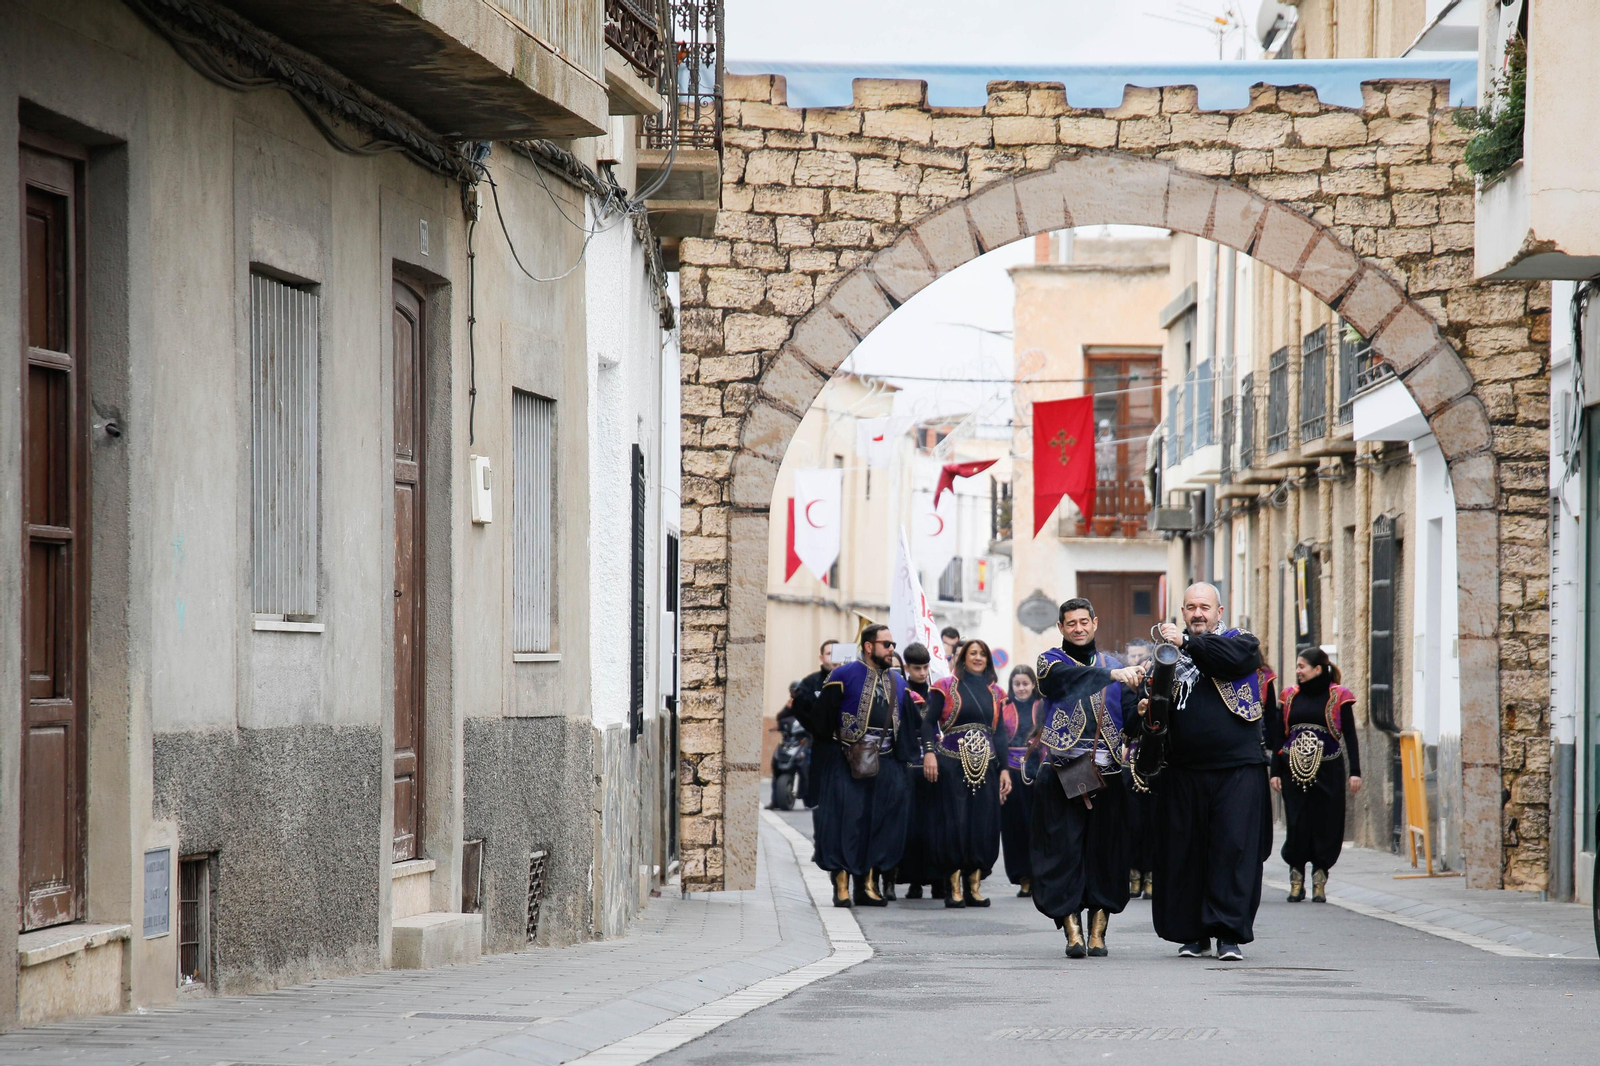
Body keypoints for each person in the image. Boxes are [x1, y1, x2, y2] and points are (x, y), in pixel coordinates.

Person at [1144, 583, 1277, 962]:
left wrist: (1185, 643)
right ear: (1182, 611)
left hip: (1238, 769)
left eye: (1204, 607)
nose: (1197, 613)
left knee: (1232, 850)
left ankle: (1228, 934)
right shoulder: (1169, 657)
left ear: (1220, 611)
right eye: (1190, 607)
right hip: (1183, 771)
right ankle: (1193, 934)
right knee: (1185, 855)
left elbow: (1232, 660)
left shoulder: (1240, 641)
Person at [1030, 599, 1144, 958]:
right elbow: (1061, 683)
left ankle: (1099, 931)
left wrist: (1143, 709)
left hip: (1108, 773)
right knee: (1063, 853)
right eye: (1071, 623)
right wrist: (1109, 676)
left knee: (1106, 855)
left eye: (1084, 622)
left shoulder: (1116, 667)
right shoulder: (1050, 662)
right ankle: (1072, 931)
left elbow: (1131, 724)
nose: (1078, 628)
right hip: (1063, 773)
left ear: (1095, 623)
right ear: (1061, 628)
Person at [808, 625, 924, 907]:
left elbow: (909, 725)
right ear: (869, 646)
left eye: (893, 644)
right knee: (846, 822)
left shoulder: (899, 682)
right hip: (846, 761)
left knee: (880, 824)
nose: (892, 649)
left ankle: (868, 885)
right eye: (887, 644)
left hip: (886, 763)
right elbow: (822, 721)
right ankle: (842, 884)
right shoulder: (843, 675)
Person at [922, 639, 1015, 908]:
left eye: (982, 654)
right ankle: (954, 888)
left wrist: (1005, 770)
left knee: (983, 824)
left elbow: (999, 735)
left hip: (986, 767)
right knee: (954, 824)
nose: (977, 658)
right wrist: (930, 752)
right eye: (972, 653)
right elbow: (928, 723)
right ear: (963, 658)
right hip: (950, 764)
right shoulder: (944, 687)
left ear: (988, 659)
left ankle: (974, 886)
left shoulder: (996, 692)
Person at [1266, 647, 1361, 903]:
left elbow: (1350, 734)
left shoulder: (1338, 695)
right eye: (1297, 666)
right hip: (1293, 770)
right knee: (1297, 823)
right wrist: (1275, 770)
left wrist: (1355, 772)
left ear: (1318, 669)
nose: (1297, 671)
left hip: (1329, 768)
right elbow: (1279, 735)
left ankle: (1320, 878)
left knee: (1326, 823)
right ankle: (1296, 879)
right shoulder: (1289, 695)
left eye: (1301, 666)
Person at [896, 642, 939, 900]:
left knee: (935, 823)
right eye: (917, 668)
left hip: (935, 763)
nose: (922, 672)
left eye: (925, 667)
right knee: (912, 825)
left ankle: (938, 880)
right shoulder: (901, 692)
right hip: (910, 763)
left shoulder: (937, 693)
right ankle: (913, 881)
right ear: (907, 668)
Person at [1000, 665, 1043, 897]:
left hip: (1038, 774)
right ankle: (1023, 877)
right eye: (1017, 684)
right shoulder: (1004, 707)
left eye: (1025, 683)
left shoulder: (1043, 706)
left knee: (1037, 827)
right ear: (1011, 686)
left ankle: (1039, 876)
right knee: (1014, 828)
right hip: (1012, 774)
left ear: (1033, 684)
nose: (1022, 688)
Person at [1121, 639, 1157, 900]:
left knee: (1154, 820)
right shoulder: (1121, 688)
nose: (1136, 662)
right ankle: (1133, 874)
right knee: (1131, 822)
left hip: (1157, 760)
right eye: (1131, 657)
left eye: (1140, 657)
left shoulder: (1160, 683)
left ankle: (1153, 874)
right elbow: (1123, 724)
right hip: (1130, 760)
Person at [791, 641, 838, 810]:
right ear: (821, 657)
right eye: (829, 653)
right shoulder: (811, 682)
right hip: (822, 743)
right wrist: (815, 728)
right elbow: (799, 707)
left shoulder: (852, 680)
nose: (834, 658)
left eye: (837, 653)